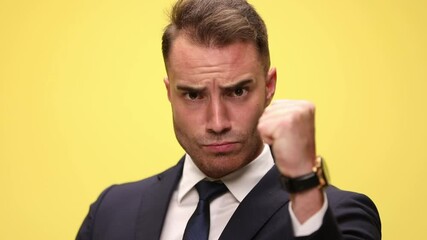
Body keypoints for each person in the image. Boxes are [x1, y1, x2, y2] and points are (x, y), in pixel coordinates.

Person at [76, 0, 381, 239]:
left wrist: (303, 182)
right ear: (170, 92)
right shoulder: (111, 211)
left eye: (237, 91)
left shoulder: (338, 214)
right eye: (193, 96)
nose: (217, 122)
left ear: (269, 86)